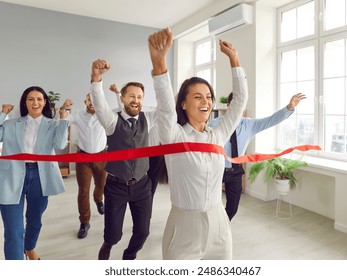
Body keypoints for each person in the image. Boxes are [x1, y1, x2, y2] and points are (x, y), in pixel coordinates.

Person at [148, 28, 248, 260]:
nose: (206, 102)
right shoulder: (174, 136)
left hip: (219, 225)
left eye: (209, 97)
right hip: (184, 227)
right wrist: (159, 64)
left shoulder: (217, 135)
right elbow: (164, 106)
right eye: (197, 97)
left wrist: (234, 60)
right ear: (183, 104)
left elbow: (240, 101)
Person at [90, 62, 157, 260]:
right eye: (132, 96)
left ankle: (128, 258)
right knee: (113, 234)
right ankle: (108, 244)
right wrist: (96, 79)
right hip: (116, 187)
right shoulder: (112, 122)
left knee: (143, 232)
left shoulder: (148, 119)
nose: (136, 100)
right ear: (123, 98)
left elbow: (168, 109)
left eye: (139, 97)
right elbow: (99, 103)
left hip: (143, 185)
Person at [209, 92, 306, 220]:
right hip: (217, 169)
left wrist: (289, 107)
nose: (238, 110)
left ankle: (222, 227)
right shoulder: (214, 124)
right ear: (228, 106)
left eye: (241, 106)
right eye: (235, 106)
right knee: (210, 204)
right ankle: (211, 228)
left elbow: (271, 120)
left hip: (235, 172)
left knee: (232, 209)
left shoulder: (250, 125)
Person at [0, 86, 69, 260]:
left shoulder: (52, 124)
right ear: (25, 102)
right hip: (11, 177)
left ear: (45, 102)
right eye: (31, 99)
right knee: (14, 230)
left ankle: (29, 247)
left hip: (40, 176)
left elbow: (60, 145)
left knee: (35, 220)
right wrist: (2, 113)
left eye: (39, 99)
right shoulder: (9, 124)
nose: (35, 102)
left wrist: (63, 119)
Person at [59, 94, 108, 239]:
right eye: (89, 99)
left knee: (102, 185)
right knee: (83, 191)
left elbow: (121, 114)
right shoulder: (78, 115)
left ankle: (98, 199)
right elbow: (63, 119)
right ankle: (84, 222)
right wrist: (63, 107)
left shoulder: (105, 114)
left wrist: (118, 94)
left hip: (102, 156)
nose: (92, 102)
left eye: (95, 99)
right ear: (85, 101)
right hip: (83, 157)